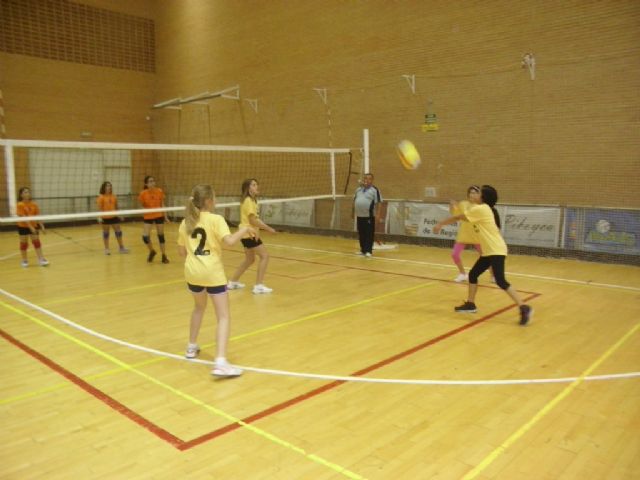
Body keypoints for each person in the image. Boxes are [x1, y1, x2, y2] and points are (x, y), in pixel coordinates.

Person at [177, 184, 256, 377]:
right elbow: (229, 242)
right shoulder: (216, 219)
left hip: (192, 272)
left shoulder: (186, 222)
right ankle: (220, 361)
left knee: (198, 308)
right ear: (208, 201)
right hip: (212, 273)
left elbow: (181, 252)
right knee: (223, 316)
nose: (217, 201)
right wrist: (245, 229)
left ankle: (191, 347)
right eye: (215, 197)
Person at [433, 185, 533, 325]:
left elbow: (459, 217)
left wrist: (440, 224)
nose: (475, 194)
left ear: (483, 197)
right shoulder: (480, 208)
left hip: (496, 250)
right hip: (488, 251)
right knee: (473, 274)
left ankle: (524, 307)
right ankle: (470, 304)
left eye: (478, 192)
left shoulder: (481, 209)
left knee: (501, 281)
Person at [227, 178, 276, 294]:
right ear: (248, 188)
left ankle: (233, 282)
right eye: (253, 185)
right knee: (265, 256)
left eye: (256, 184)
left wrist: (260, 231)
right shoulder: (248, 201)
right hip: (248, 234)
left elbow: (254, 220)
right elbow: (252, 220)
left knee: (250, 259)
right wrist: (268, 229)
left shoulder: (252, 201)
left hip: (247, 234)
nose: (256, 186)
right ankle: (259, 286)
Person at [450, 185, 482, 282]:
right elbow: (455, 214)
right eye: (471, 192)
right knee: (454, 254)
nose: (472, 195)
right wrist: (452, 206)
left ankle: (493, 275)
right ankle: (462, 274)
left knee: (486, 256)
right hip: (463, 234)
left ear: (479, 194)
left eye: (475, 193)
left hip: (476, 235)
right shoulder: (463, 204)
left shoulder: (481, 207)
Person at [138, 175, 169, 264]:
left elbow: (162, 204)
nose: (152, 183)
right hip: (148, 216)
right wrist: (143, 210)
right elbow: (141, 205)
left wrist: (165, 217)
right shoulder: (143, 193)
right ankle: (152, 251)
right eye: (150, 181)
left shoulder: (159, 191)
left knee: (161, 236)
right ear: (146, 184)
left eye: (153, 181)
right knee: (145, 237)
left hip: (158, 215)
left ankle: (164, 255)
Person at [16, 187, 49, 267]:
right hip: (23, 226)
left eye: (28, 192)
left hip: (34, 225)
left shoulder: (34, 204)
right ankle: (24, 260)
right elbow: (23, 217)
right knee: (24, 243)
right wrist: (30, 227)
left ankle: (41, 259)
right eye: (25, 192)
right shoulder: (20, 205)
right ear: (21, 195)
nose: (27, 193)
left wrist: (42, 226)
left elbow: (37, 216)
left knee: (36, 242)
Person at [353, 173, 382, 257]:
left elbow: (379, 203)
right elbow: (354, 201)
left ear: (372, 180)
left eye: (369, 178)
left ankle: (368, 251)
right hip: (359, 216)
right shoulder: (358, 190)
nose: (367, 180)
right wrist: (352, 212)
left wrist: (378, 215)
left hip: (369, 216)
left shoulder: (375, 190)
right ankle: (363, 250)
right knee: (361, 233)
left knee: (369, 234)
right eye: (365, 178)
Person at [97, 181, 130, 255]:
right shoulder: (101, 197)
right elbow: (99, 208)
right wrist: (99, 217)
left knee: (118, 232)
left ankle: (121, 248)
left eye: (110, 186)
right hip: (105, 217)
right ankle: (106, 249)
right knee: (106, 233)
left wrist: (120, 215)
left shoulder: (114, 196)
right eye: (107, 186)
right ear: (104, 187)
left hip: (114, 216)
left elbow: (116, 207)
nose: (109, 187)